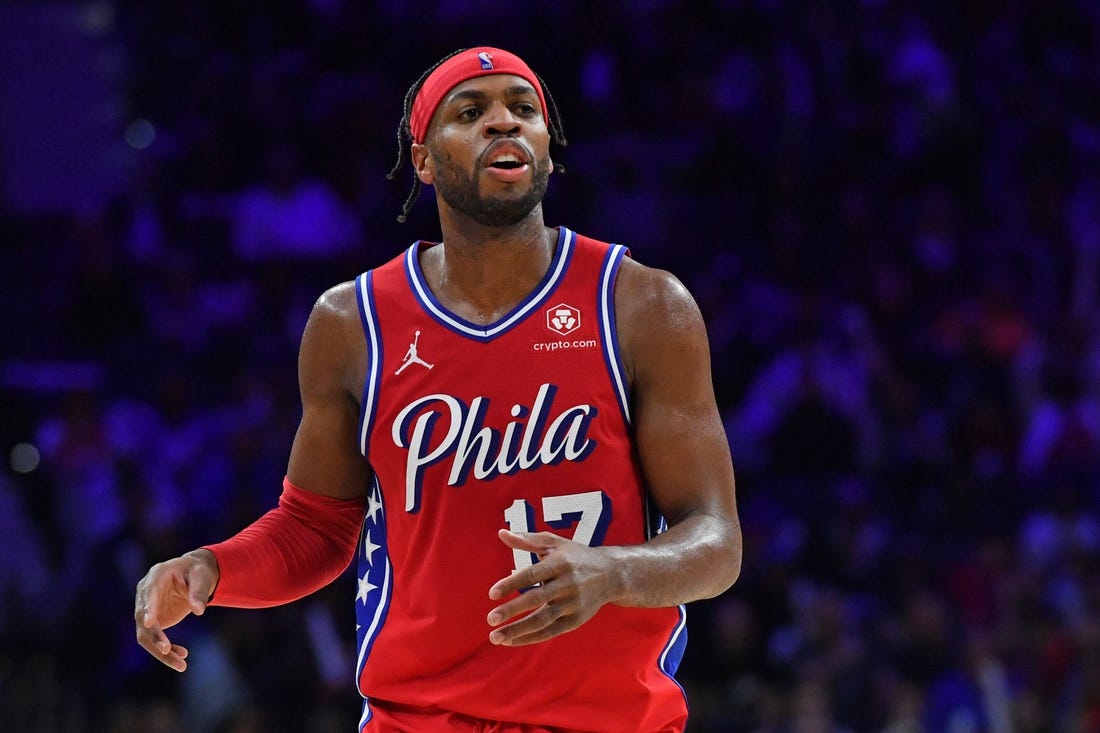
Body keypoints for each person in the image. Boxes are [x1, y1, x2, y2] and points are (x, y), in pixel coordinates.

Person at [135, 46, 742, 733]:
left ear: (547, 148)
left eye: (523, 108)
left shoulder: (642, 305)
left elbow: (716, 540)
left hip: (607, 719)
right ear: (423, 159)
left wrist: (612, 572)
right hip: (419, 719)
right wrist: (210, 569)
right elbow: (317, 526)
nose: (502, 123)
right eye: (471, 112)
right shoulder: (352, 323)